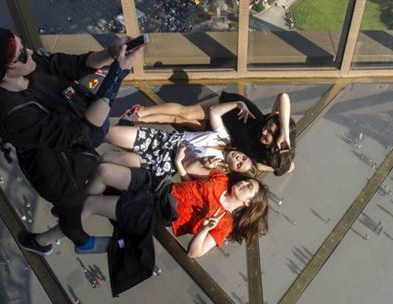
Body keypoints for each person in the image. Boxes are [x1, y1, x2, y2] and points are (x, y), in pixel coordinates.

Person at [0, 24, 141, 254]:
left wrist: (110, 53)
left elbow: (66, 65)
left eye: (23, 45)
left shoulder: (29, 66)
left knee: (81, 201)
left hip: (74, 155)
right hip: (58, 172)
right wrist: (116, 75)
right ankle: (82, 243)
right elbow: (83, 133)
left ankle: (47, 239)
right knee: (73, 207)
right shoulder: (10, 115)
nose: (30, 53)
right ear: (3, 73)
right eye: (21, 55)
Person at [24, 167, 269, 295]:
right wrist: (189, 162)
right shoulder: (222, 180)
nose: (243, 183)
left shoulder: (224, 224)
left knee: (92, 204)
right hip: (157, 188)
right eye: (247, 181)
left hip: (154, 211)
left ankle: (44, 240)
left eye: (249, 187)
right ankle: (71, 214)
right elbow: (191, 171)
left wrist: (205, 229)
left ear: (249, 204)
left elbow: (194, 252)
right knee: (104, 171)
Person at [123, 91, 296, 175]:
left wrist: (259, 166)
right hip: (236, 112)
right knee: (186, 113)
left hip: (226, 136)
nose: (264, 130)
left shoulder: (274, 158)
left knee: (180, 121)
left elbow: (290, 167)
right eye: (267, 126)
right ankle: (140, 112)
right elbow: (283, 97)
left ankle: (140, 120)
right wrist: (284, 133)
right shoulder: (277, 127)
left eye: (269, 133)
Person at [99, 100, 257, 181]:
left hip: (161, 163)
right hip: (162, 140)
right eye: (243, 157)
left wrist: (203, 164)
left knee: (107, 159)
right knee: (107, 133)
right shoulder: (225, 139)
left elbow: (187, 173)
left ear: (234, 171)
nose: (239, 158)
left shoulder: (218, 172)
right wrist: (238, 104)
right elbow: (214, 112)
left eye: (239, 164)